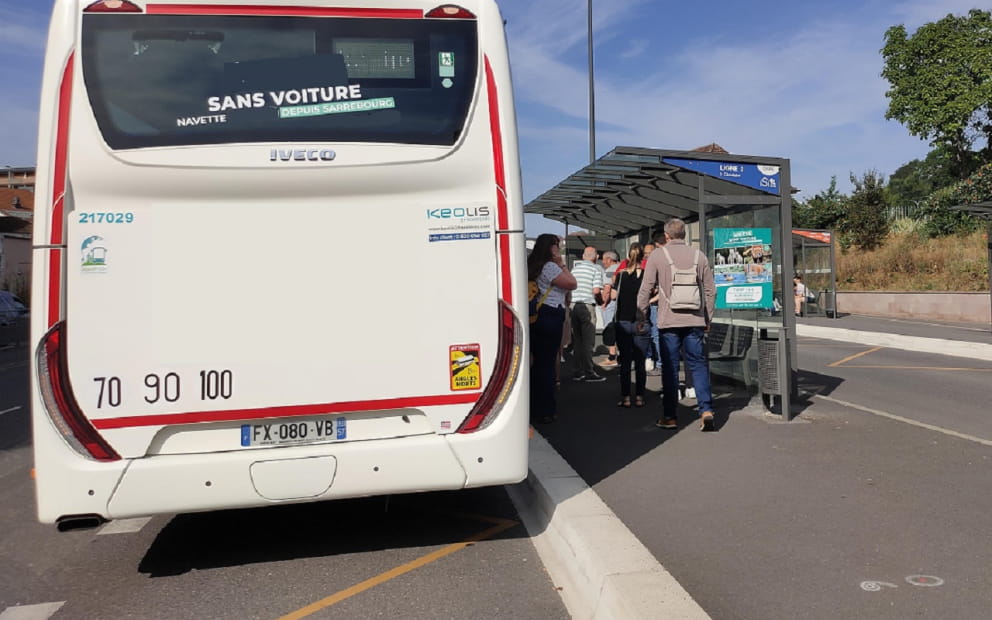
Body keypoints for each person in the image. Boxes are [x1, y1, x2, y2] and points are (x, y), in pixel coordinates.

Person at [637, 218, 717, 431]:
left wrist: (641, 317)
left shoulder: (657, 255)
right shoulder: (699, 256)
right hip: (695, 321)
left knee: (670, 368)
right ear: (685, 234)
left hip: (668, 321)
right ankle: (706, 410)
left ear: (667, 235)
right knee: (698, 365)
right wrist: (707, 318)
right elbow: (710, 291)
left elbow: (645, 290)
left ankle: (670, 416)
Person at [528, 234, 576, 424]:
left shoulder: (532, 265)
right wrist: (562, 263)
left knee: (537, 363)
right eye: (557, 246)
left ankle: (533, 405)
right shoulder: (550, 266)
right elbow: (571, 283)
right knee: (547, 363)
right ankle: (546, 409)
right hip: (550, 314)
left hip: (536, 314)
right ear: (551, 247)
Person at [611, 244, 651, 407]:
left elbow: (614, 297)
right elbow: (653, 293)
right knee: (640, 362)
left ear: (628, 255)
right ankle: (640, 397)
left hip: (623, 321)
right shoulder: (646, 276)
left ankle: (626, 397)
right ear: (643, 257)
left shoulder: (620, 276)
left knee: (625, 362)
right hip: (641, 321)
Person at [570, 246, 606, 382]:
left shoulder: (575, 269)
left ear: (584, 256)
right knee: (588, 341)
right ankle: (590, 372)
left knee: (577, 340)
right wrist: (601, 302)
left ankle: (577, 371)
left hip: (573, 305)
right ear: (596, 257)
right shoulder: (596, 269)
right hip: (587, 305)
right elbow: (596, 291)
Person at [599, 250, 620, 368]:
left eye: (604, 259)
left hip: (611, 304)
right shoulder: (624, 267)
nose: (603, 262)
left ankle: (612, 356)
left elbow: (607, 289)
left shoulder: (610, 271)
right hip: (624, 304)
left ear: (609, 259)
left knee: (609, 328)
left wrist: (603, 302)